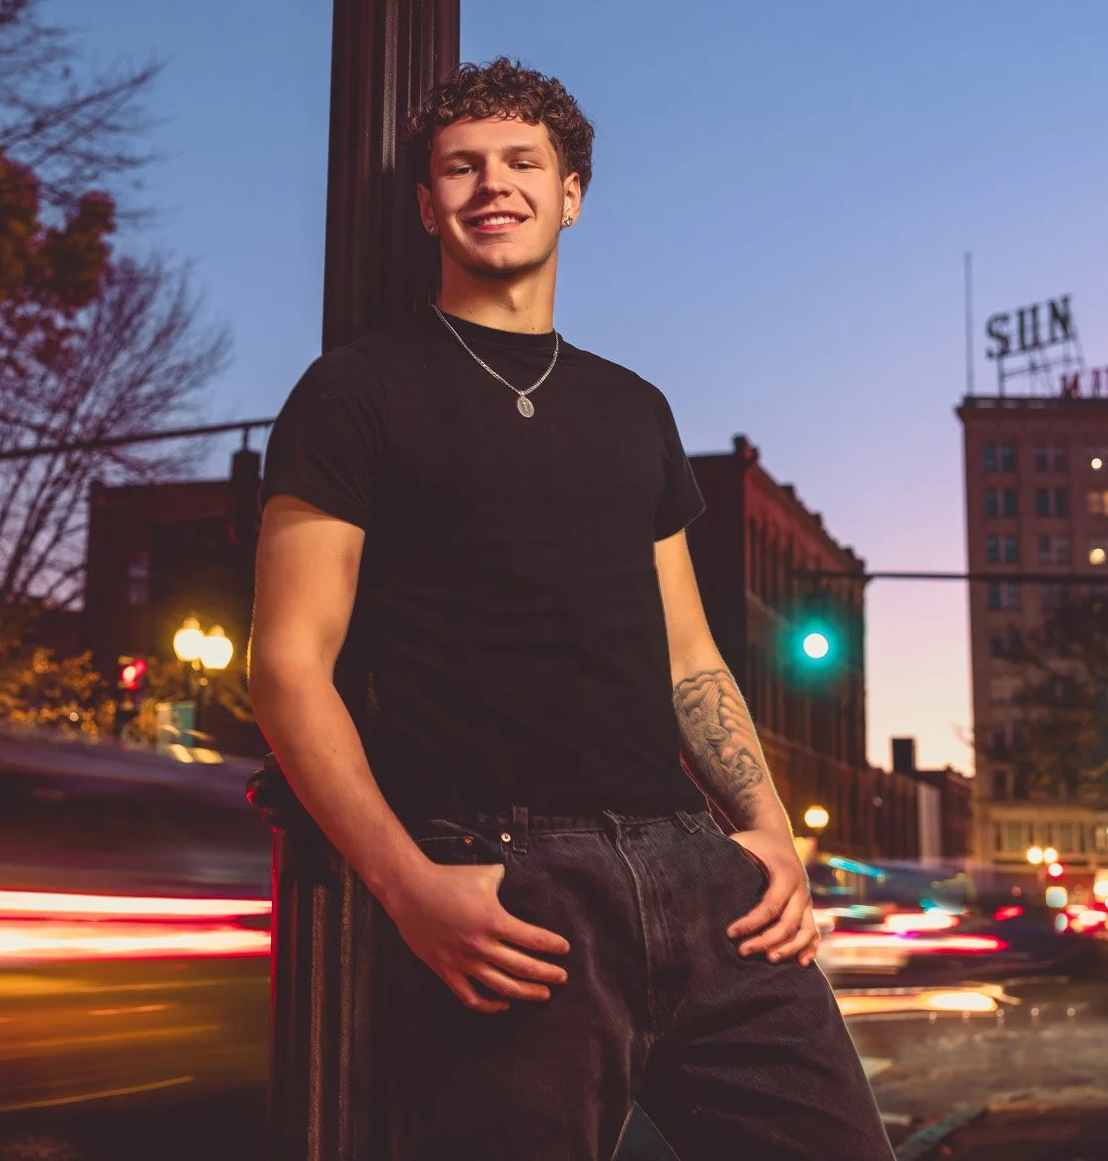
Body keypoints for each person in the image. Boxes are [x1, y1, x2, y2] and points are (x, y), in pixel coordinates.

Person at [250, 58, 894, 1161]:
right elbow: (286, 665)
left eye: (519, 162)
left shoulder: (633, 407)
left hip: (700, 876)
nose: (489, 184)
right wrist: (406, 885)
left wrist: (771, 834)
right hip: (509, 885)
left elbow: (689, 652)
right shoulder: (356, 391)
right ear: (425, 203)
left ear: (569, 192)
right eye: (459, 166)